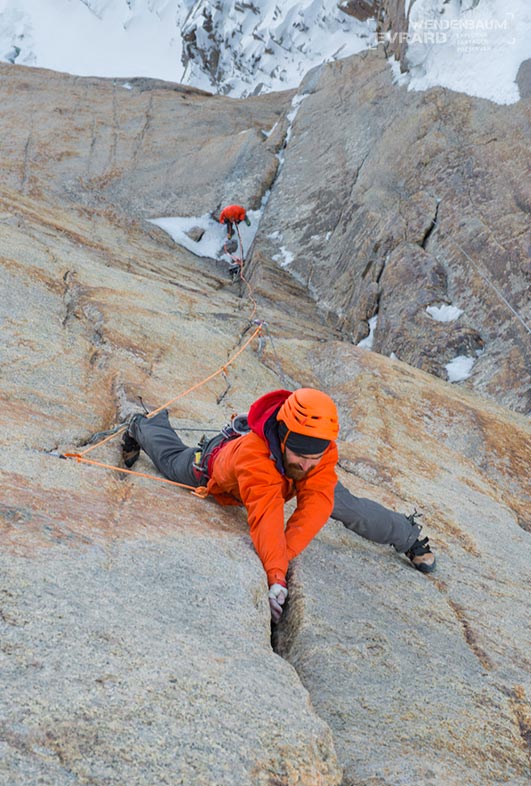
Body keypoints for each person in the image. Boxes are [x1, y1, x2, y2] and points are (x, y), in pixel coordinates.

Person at [121, 388, 435, 623]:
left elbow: (316, 506)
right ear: (283, 438)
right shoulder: (255, 458)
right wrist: (276, 574)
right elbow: (266, 516)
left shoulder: (317, 454)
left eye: (316, 457)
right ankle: (142, 425)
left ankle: (407, 536)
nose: (309, 464)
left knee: (345, 504)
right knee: (174, 462)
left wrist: (280, 569)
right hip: (217, 466)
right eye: (301, 455)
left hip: (282, 476)